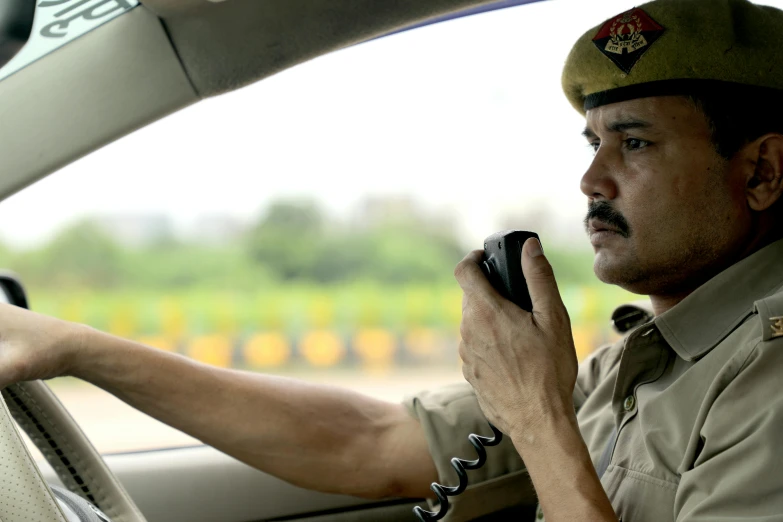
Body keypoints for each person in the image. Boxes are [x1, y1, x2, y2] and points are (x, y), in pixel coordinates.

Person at [2, 0, 783, 520]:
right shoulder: (636, 365)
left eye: (636, 143)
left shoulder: (767, 376)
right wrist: (72, 348)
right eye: (593, 143)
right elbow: (367, 444)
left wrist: (537, 416)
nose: (590, 180)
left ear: (760, 172)